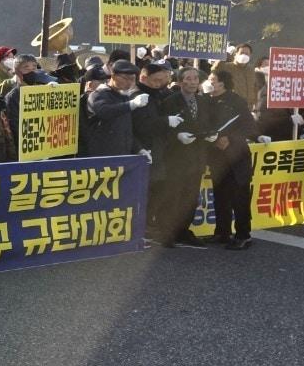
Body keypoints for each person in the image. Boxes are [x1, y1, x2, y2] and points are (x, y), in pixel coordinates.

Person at [157, 67, 214, 248]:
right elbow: (162, 130)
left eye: (195, 78)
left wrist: (211, 134)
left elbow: (209, 123)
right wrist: (177, 135)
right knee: (173, 195)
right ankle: (167, 232)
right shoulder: (170, 101)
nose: (192, 82)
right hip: (176, 156)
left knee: (190, 196)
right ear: (180, 82)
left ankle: (184, 230)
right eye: (188, 79)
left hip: (197, 155)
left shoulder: (204, 101)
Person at [206, 69, 262, 250]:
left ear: (222, 83)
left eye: (212, 79)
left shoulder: (236, 101)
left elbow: (249, 127)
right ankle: (222, 232)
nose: (209, 82)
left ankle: (243, 235)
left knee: (239, 197)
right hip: (216, 157)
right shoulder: (206, 101)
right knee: (220, 196)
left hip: (237, 157)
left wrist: (229, 138)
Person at [132, 61, 184, 240]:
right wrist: (165, 121)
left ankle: (149, 224)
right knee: (145, 191)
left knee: (157, 189)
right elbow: (141, 126)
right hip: (144, 150)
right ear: (143, 77)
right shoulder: (138, 95)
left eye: (163, 80)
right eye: (156, 80)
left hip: (158, 149)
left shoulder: (158, 94)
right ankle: (142, 227)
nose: (160, 83)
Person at [83, 60, 150, 157]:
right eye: (126, 78)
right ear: (113, 76)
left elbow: (126, 130)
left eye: (132, 79)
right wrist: (131, 104)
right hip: (101, 156)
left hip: (121, 156)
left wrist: (139, 149)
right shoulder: (98, 94)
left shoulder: (123, 97)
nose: (129, 83)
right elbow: (104, 111)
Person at [3, 54, 43, 135]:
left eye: (34, 67)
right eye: (26, 68)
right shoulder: (13, 97)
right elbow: (14, 126)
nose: (31, 71)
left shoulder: (42, 91)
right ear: (16, 71)